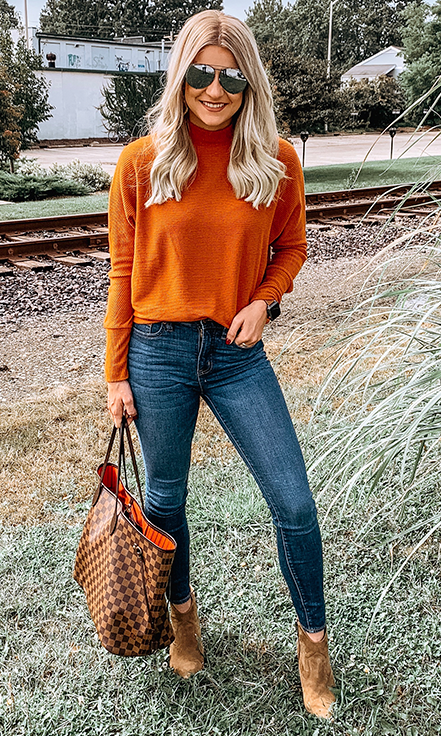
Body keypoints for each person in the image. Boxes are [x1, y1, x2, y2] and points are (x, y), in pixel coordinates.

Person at [104, 9, 336, 719]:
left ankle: (313, 647)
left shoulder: (275, 161)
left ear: (248, 81)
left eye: (229, 76)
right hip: (157, 351)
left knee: (293, 502)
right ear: (181, 77)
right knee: (165, 502)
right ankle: (183, 621)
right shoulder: (141, 162)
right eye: (200, 73)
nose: (214, 89)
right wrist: (115, 373)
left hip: (236, 355)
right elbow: (120, 272)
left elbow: (291, 247)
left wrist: (264, 301)